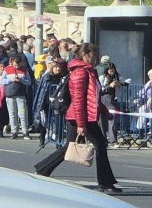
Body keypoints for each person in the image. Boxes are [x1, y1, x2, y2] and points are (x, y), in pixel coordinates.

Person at [34, 42, 121, 193]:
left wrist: (103, 110)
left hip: (85, 115)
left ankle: (43, 169)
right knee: (99, 145)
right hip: (80, 116)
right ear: (85, 55)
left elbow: (93, 97)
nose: (96, 59)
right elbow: (79, 99)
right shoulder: (80, 72)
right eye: (94, 56)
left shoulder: (89, 71)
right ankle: (105, 182)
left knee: (72, 146)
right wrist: (81, 124)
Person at [1, 54, 32, 139]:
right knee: (12, 114)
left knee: (22, 114)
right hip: (10, 95)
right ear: (12, 62)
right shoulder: (7, 69)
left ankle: (25, 132)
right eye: (15, 64)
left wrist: (21, 80)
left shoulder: (24, 70)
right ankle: (14, 132)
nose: (17, 66)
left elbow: (29, 82)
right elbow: (1, 81)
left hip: (21, 95)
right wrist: (10, 80)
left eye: (18, 64)